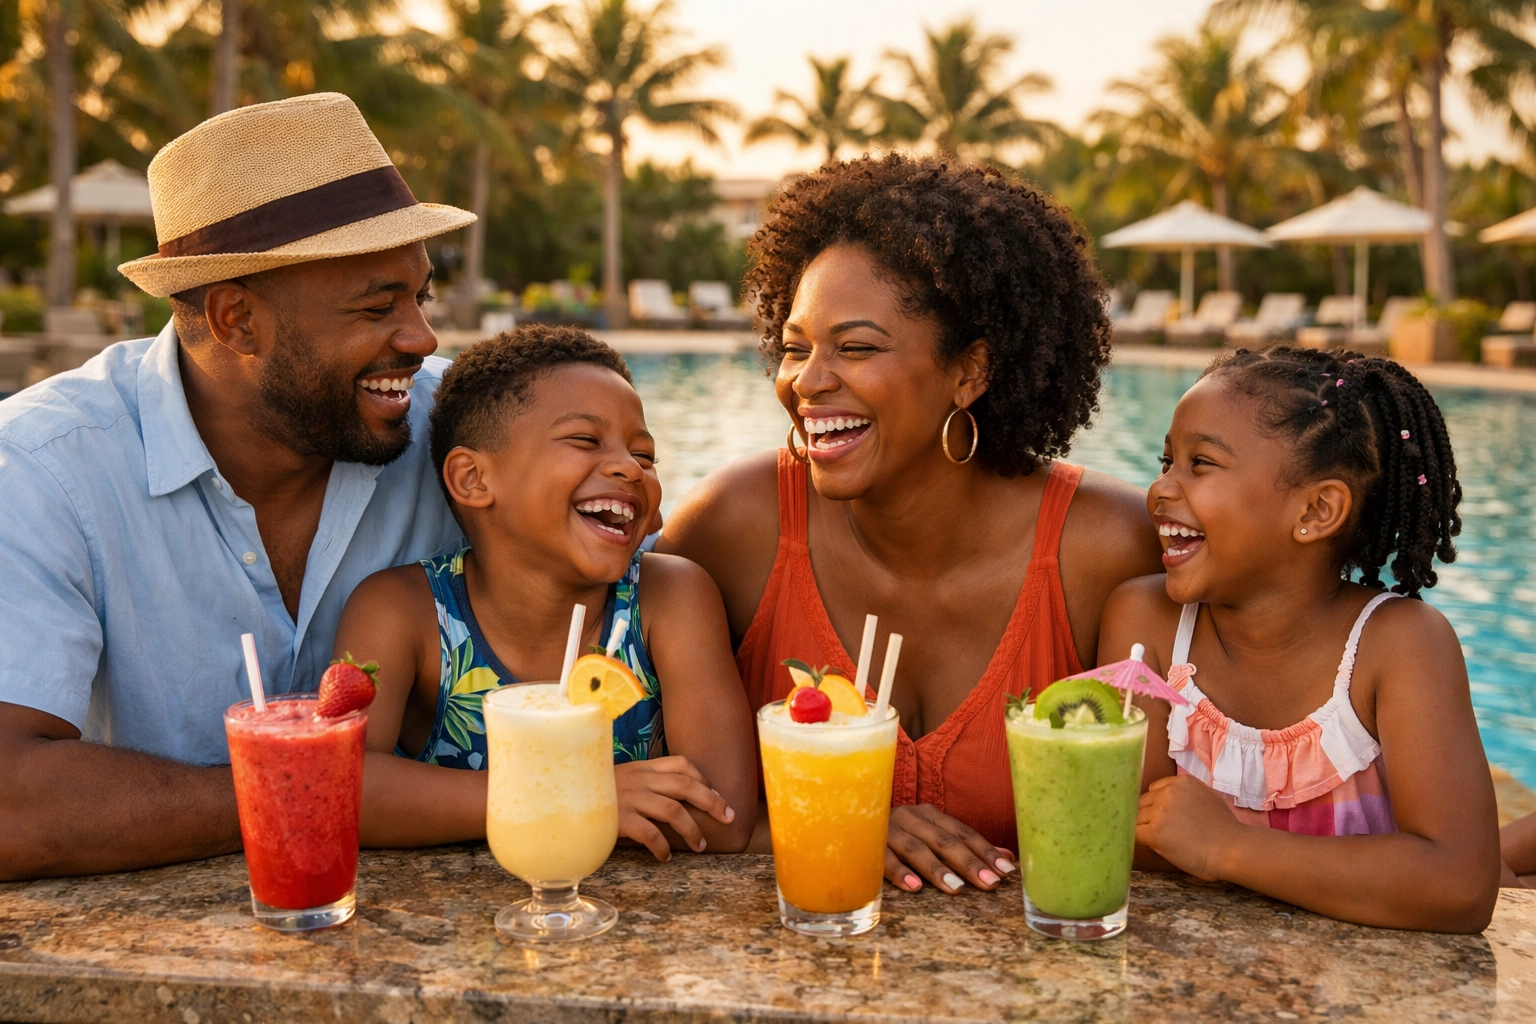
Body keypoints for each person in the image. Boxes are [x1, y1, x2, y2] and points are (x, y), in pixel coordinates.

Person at [0, 93, 476, 880]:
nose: (422, 339)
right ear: (235, 321)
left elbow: (635, 591)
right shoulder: (45, 469)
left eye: (419, 295)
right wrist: (321, 789)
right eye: (377, 305)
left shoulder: (464, 432)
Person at [659, 154, 1164, 895]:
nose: (807, 381)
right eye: (796, 347)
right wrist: (840, 823)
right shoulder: (738, 525)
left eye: (856, 347)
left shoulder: (1104, 548)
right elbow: (618, 749)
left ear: (971, 371)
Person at [1103, 347, 1499, 932]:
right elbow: (1127, 832)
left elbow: (1460, 885)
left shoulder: (1399, 646)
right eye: (1167, 460)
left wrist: (1231, 850)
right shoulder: (1146, 622)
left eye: (1201, 463)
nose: (1160, 489)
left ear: (1317, 509)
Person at [333, 326, 756, 857]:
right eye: (585, 439)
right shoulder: (401, 611)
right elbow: (342, 790)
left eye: (645, 456)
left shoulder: (669, 598)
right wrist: (574, 796)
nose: (630, 467)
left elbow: (723, 815)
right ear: (473, 479)